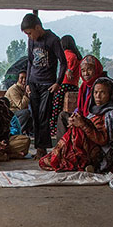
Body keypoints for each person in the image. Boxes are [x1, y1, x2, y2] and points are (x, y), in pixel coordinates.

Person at [39, 77, 113, 172]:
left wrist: (82, 125)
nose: (98, 96)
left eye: (103, 93)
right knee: (46, 161)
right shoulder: (95, 110)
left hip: (102, 153)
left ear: (110, 95)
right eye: (95, 92)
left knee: (77, 132)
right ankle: (68, 158)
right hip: (88, 147)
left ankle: (82, 163)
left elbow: (104, 141)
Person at [21, 13, 67, 159]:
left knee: (43, 117)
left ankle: (43, 148)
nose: (29, 36)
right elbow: (29, 61)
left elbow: (63, 62)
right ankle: (39, 149)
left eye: (30, 33)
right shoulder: (31, 42)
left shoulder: (53, 40)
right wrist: (28, 82)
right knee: (34, 116)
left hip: (48, 84)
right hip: (34, 83)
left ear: (37, 27)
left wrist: (58, 83)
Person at [56, 55, 105, 139]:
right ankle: (64, 148)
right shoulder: (84, 87)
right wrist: (75, 115)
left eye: (89, 69)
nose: (86, 73)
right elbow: (80, 107)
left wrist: (82, 120)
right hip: (84, 116)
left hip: (96, 119)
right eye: (83, 70)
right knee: (63, 116)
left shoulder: (103, 84)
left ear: (96, 69)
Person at [50, 35, 82, 136]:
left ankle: (53, 128)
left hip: (65, 84)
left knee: (56, 106)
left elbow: (69, 67)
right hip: (74, 85)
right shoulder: (77, 55)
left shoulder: (67, 54)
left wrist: (69, 70)